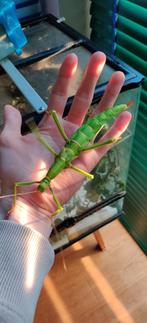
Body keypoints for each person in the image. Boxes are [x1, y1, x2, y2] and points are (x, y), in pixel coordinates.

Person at [0, 50, 132, 322]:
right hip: (71, 150)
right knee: (100, 133)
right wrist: (31, 211)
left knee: (101, 130)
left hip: (72, 147)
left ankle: (120, 111)